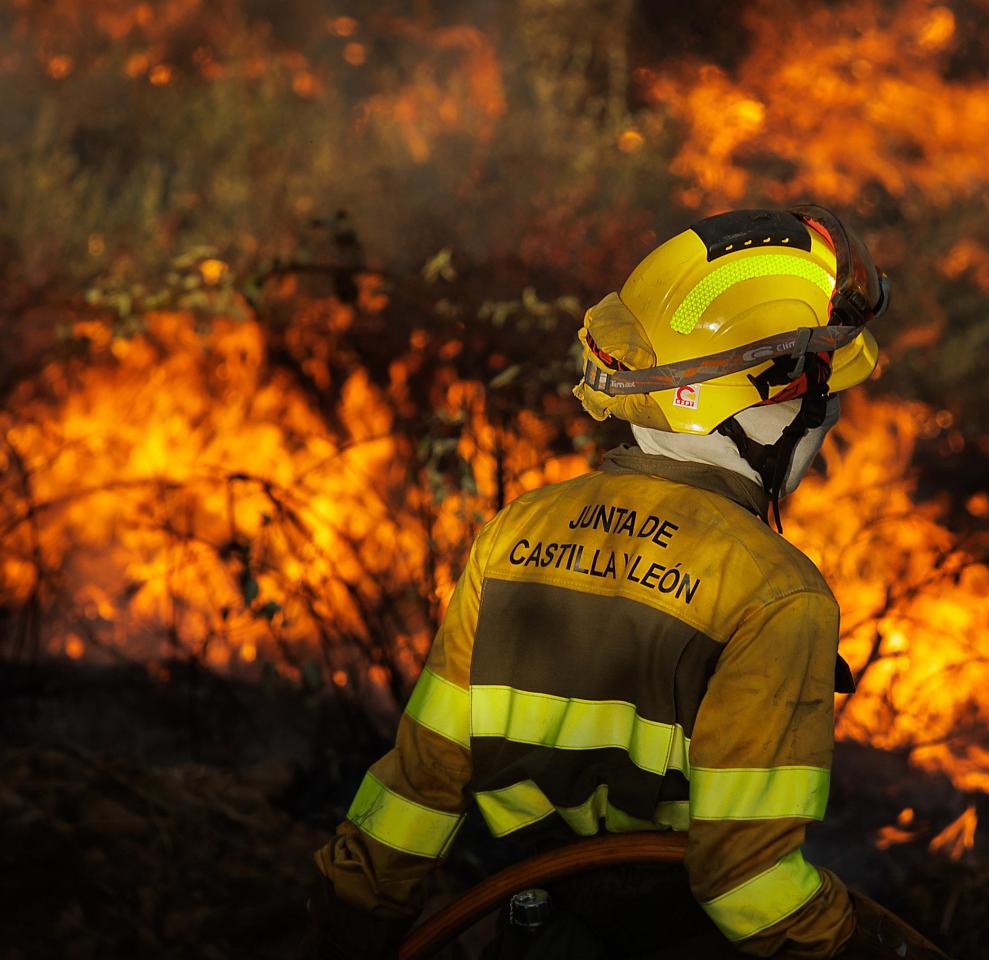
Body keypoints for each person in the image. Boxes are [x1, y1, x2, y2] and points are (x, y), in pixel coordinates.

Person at [306, 206, 949, 959]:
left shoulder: (516, 533)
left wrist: (353, 923)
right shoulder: (777, 594)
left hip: (531, 935)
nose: (826, 427)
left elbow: (419, 786)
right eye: (824, 406)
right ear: (767, 406)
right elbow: (747, 886)